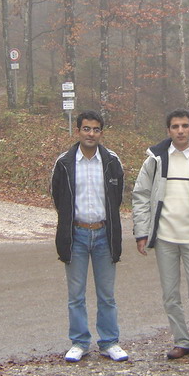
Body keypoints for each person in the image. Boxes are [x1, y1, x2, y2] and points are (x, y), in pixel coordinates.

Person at [132, 109, 189, 361]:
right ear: (168, 130)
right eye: (175, 126)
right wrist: (142, 232)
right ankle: (181, 341)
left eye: (184, 126)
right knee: (170, 294)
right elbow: (141, 195)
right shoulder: (155, 160)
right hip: (165, 238)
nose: (180, 131)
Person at [51, 110, 128, 362]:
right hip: (76, 235)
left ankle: (109, 342)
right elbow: (58, 198)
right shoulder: (64, 162)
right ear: (78, 131)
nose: (91, 134)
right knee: (76, 295)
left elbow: (117, 198)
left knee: (107, 295)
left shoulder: (111, 161)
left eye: (96, 129)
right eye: (86, 129)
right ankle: (79, 342)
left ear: (101, 133)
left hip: (105, 234)